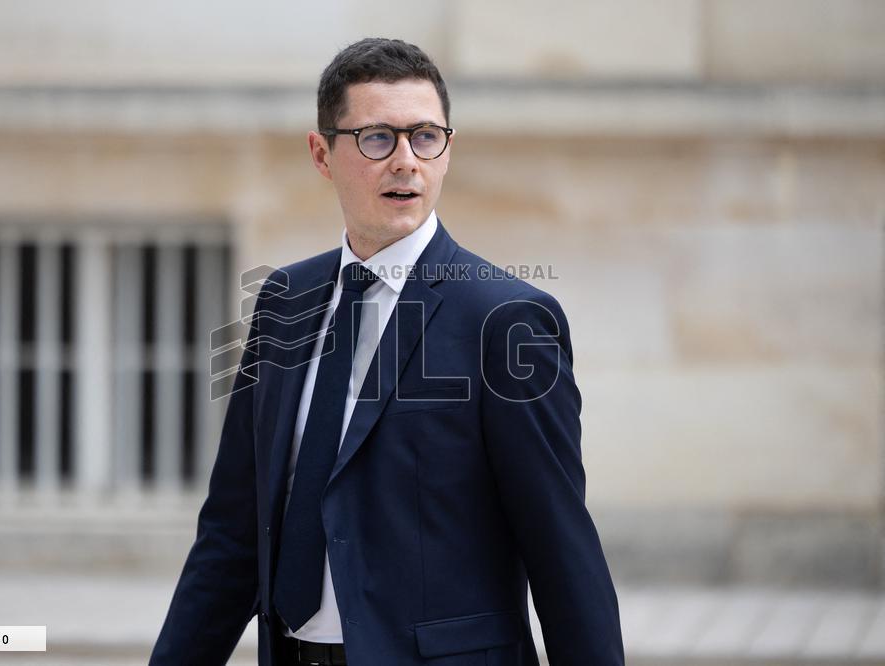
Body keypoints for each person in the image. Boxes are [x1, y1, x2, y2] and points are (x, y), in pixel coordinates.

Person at [150, 38, 624, 666]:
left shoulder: (506, 320)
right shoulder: (284, 299)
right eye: (377, 138)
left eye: (425, 137)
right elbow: (232, 533)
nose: (406, 161)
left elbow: (561, 548)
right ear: (322, 153)